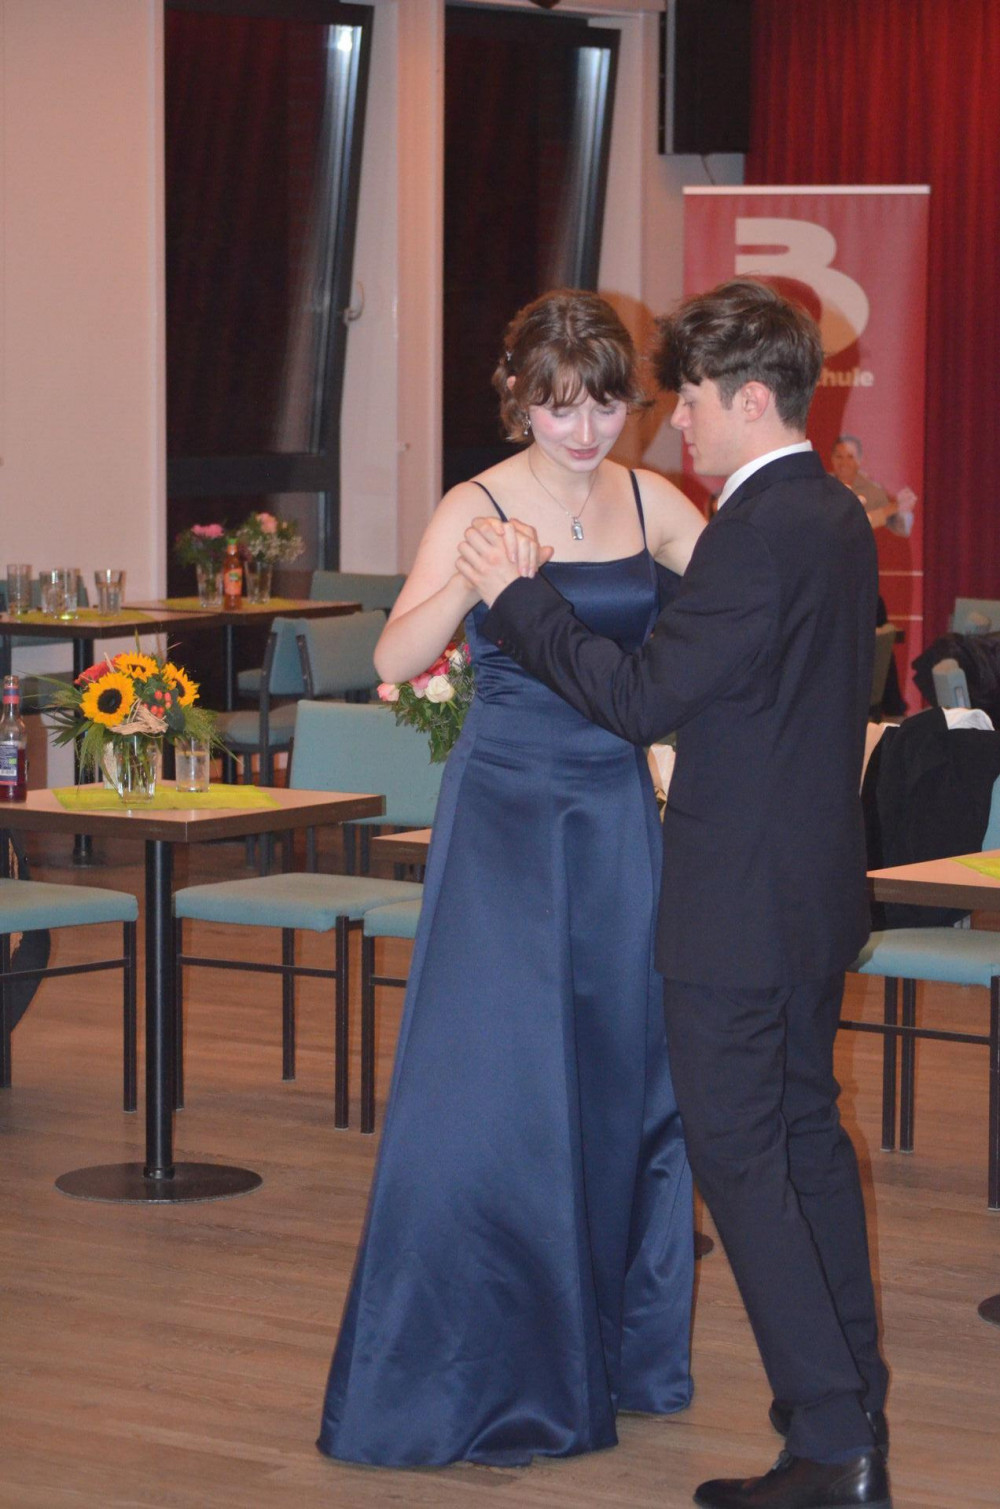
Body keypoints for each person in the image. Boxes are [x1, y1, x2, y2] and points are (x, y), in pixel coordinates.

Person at [458, 280, 893, 1509]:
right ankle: (846, 1418)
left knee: (744, 1161)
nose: (676, 422)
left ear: (750, 399)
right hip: (805, 892)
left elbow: (642, 699)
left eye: (690, 400)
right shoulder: (833, 513)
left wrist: (519, 602)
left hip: (736, 905)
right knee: (803, 1145)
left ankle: (833, 1446)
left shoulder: (754, 528)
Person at [317, 289, 706, 1468]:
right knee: (496, 1084)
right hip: (504, 814)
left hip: (617, 812)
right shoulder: (475, 503)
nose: (583, 432)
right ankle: (485, 1363)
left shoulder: (650, 499)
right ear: (520, 399)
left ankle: (617, 1351)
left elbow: (734, 609)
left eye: (604, 407)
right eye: (559, 408)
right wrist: (475, 583)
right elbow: (393, 655)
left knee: (624, 1072)